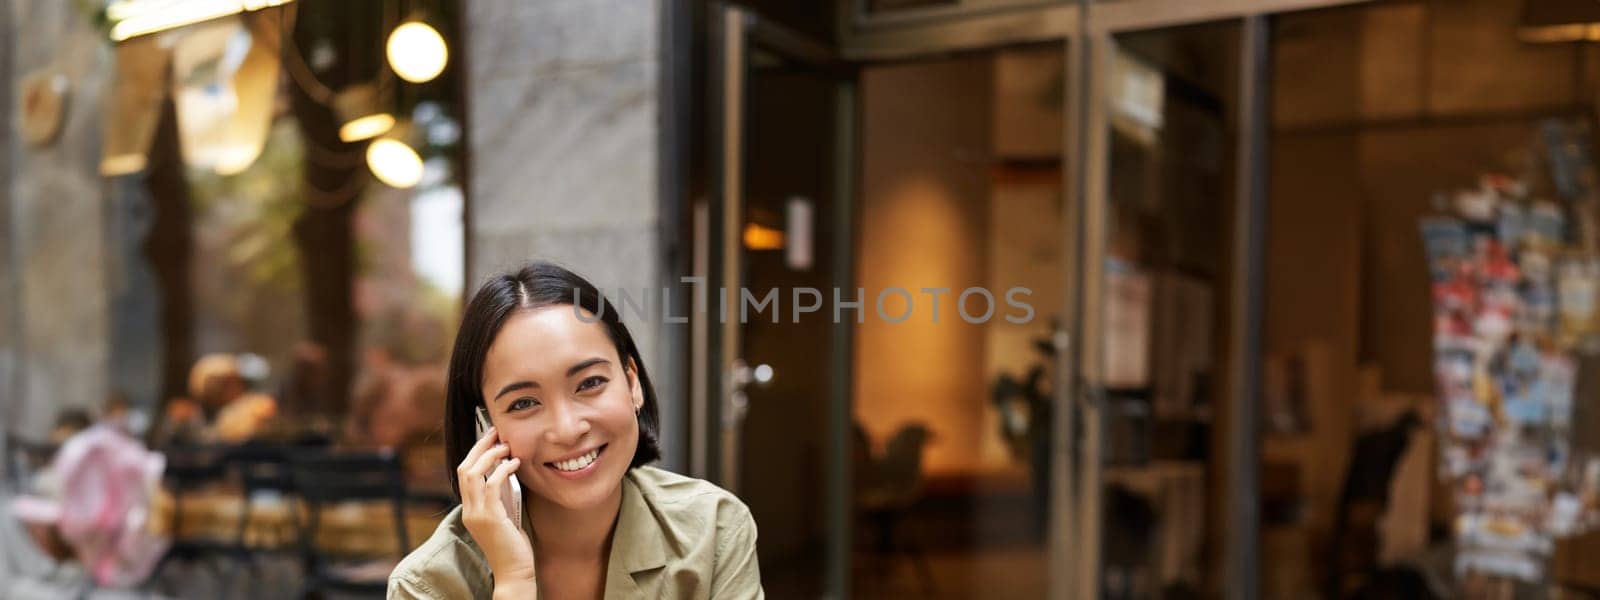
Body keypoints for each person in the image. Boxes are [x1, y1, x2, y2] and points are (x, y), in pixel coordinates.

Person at [388, 262, 763, 599]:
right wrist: (514, 581)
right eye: (523, 403)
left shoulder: (713, 529)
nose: (567, 430)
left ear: (632, 382)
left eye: (590, 383)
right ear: (484, 426)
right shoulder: (427, 585)